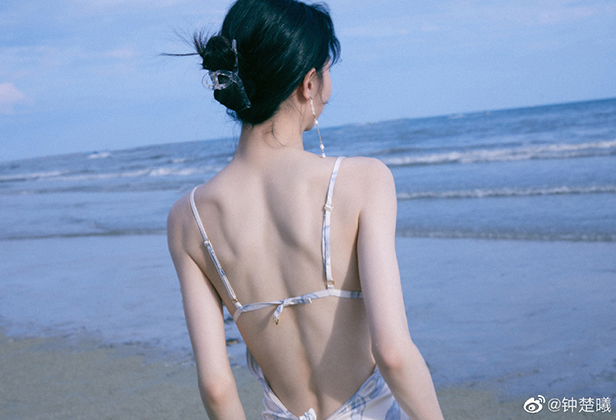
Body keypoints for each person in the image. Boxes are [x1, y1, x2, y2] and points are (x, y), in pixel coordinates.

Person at [167, 0, 444, 418]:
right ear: (308, 84)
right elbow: (392, 353)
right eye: (327, 71)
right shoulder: (364, 180)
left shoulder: (187, 218)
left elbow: (216, 387)